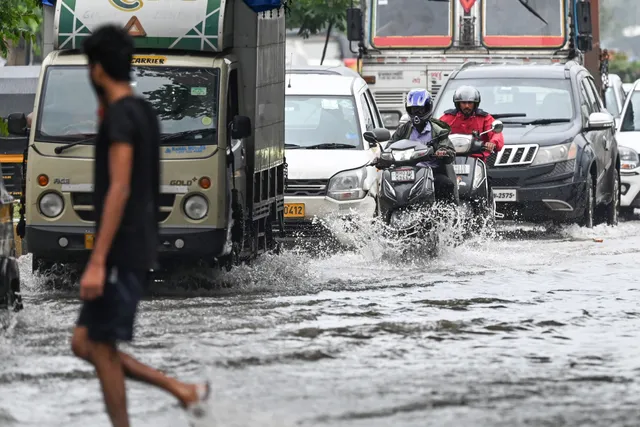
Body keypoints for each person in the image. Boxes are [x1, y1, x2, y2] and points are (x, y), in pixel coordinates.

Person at [70, 24, 209, 427]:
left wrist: (98, 260)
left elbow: (119, 188)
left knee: (100, 345)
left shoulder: (119, 118)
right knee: (85, 343)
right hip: (135, 244)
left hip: (120, 250)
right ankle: (181, 390)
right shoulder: (142, 110)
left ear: (96, 70)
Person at [386, 88, 458, 205]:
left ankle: (447, 217)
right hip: (405, 173)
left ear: (428, 109)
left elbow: (449, 149)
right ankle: (384, 216)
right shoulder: (403, 130)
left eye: (420, 110)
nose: (417, 114)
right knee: (385, 184)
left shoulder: (438, 131)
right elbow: (390, 145)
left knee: (446, 184)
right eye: (413, 110)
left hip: (431, 172)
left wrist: (443, 151)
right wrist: (381, 157)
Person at [439, 85, 504, 161]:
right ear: (458, 104)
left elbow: (496, 133)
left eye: (470, 103)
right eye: (463, 103)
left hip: (476, 159)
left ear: (475, 104)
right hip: (450, 159)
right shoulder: (448, 117)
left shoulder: (485, 118)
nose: (467, 106)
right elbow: (435, 131)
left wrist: (493, 143)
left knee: (488, 171)